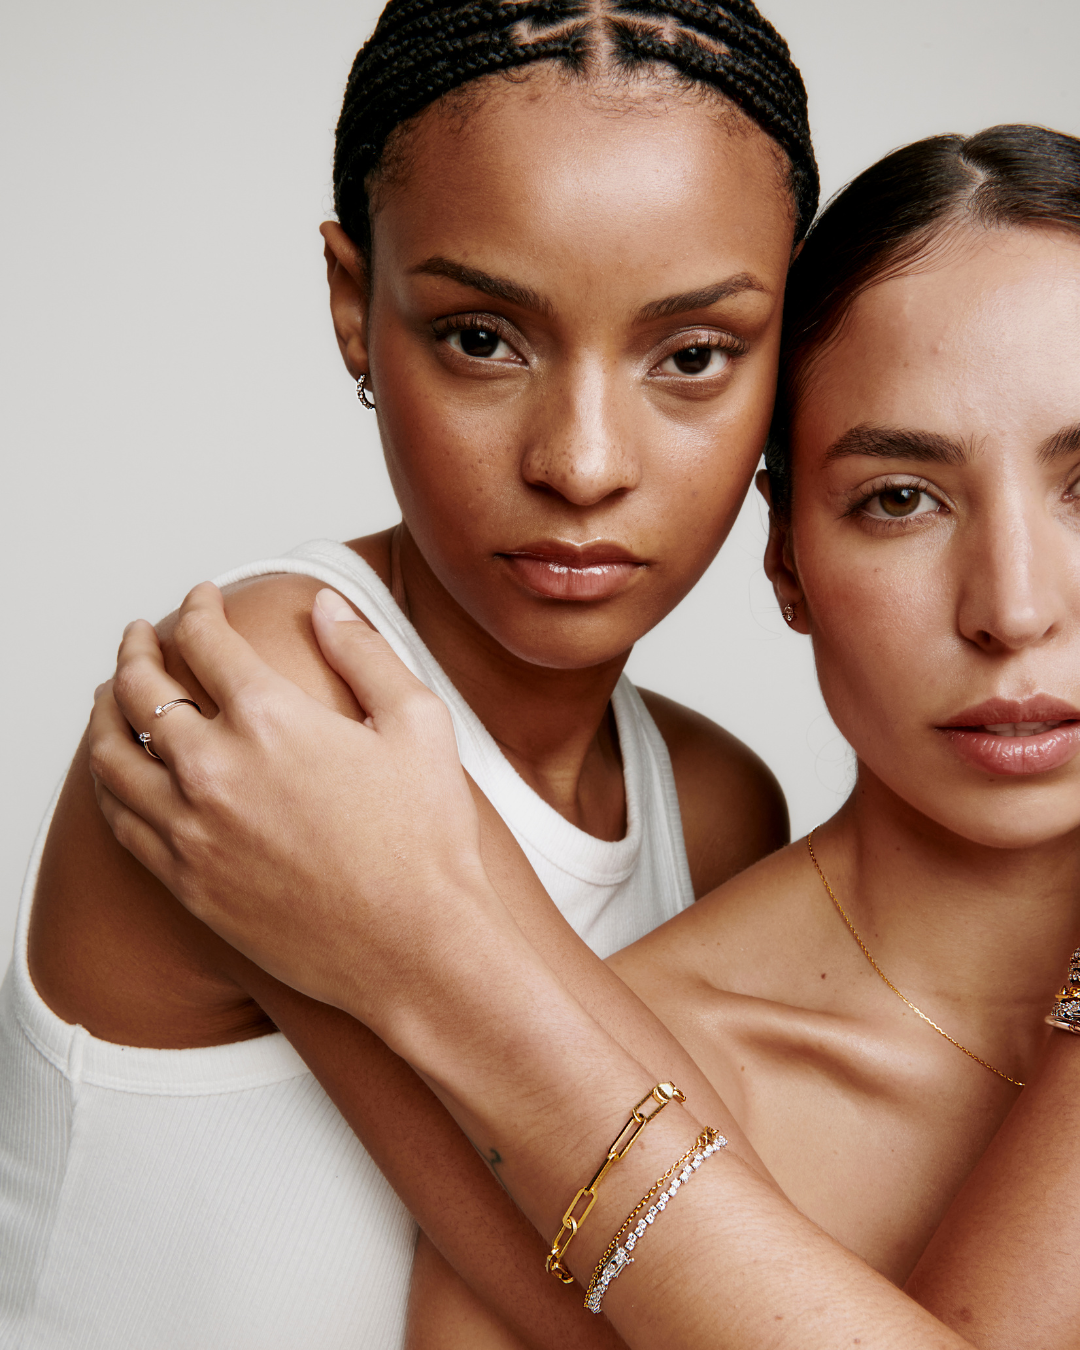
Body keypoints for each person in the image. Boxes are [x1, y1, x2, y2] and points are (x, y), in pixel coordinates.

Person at [88, 124, 1080, 1350]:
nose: (1016, 607)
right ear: (787, 558)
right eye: (899, 498)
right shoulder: (272, 700)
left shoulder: (711, 807)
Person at [0, 3, 824, 1347]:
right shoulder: (267, 695)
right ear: (352, 304)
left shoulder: (722, 804)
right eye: (482, 337)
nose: (582, 461)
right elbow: (657, 1321)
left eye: (692, 354)